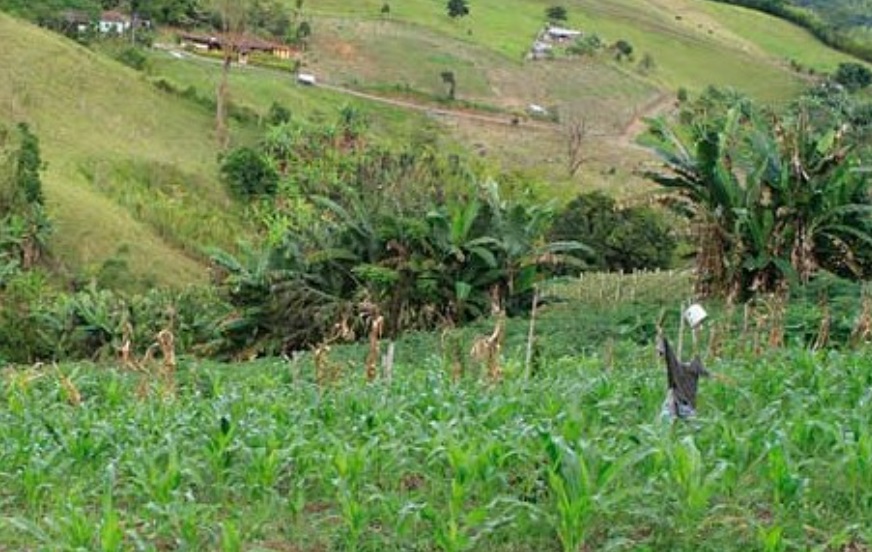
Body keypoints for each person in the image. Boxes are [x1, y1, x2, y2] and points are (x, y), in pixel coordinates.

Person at [657, 332, 709, 421]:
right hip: (677, 400)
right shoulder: (678, 368)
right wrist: (662, 339)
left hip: (685, 404)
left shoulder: (693, 369)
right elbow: (670, 356)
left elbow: (705, 372)